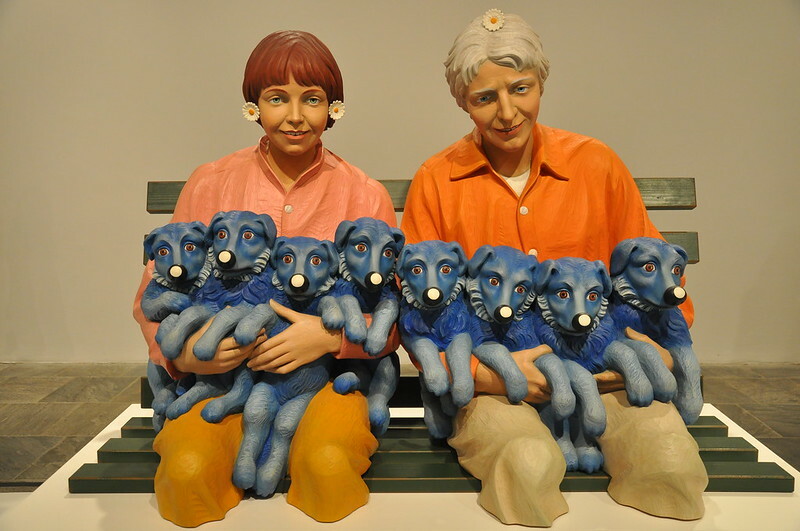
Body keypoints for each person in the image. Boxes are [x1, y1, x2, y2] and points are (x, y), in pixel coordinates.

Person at [401, 10, 706, 527]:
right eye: (484, 98)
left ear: (541, 80)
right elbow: (417, 304)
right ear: (462, 102)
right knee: (527, 466)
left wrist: (652, 348)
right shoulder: (438, 179)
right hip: (497, 382)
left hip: (607, 371)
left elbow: (654, 275)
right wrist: (482, 376)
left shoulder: (596, 164)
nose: (506, 112)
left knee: (671, 468)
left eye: (521, 88)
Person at [133, 30, 397, 527]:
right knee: (189, 473)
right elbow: (153, 293)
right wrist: (183, 354)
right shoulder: (212, 182)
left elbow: (392, 311)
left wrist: (330, 337)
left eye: (311, 100)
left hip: (327, 383)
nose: (294, 116)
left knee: (326, 468)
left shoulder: (363, 194)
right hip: (221, 380)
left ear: (333, 107)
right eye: (277, 98)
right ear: (253, 105)